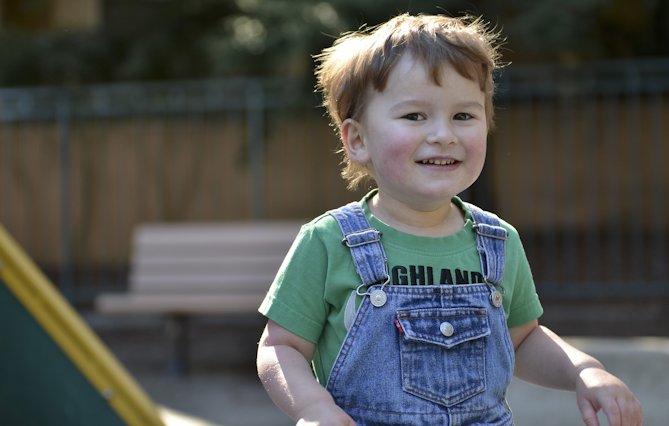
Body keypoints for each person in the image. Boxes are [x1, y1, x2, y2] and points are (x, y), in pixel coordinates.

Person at [256, 12, 643, 426]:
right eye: (415, 116)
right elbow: (281, 348)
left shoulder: (497, 241)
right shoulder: (330, 240)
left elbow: (524, 339)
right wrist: (314, 409)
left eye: (463, 116)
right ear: (358, 139)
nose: (444, 134)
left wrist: (585, 371)